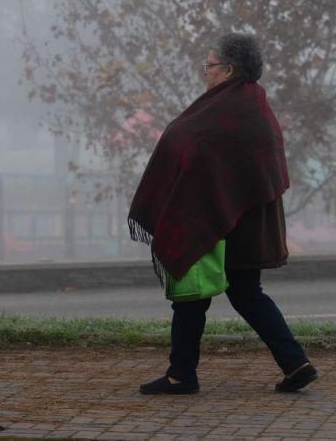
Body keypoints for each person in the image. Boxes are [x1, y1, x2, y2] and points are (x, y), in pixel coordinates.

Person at [128, 32, 317, 395]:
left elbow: (190, 144)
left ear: (228, 70)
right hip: (248, 217)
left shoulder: (227, 108)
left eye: (209, 65)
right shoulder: (254, 103)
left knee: (193, 296)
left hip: (224, 220)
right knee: (246, 292)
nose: (205, 72)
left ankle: (181, 376)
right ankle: (296, 363)